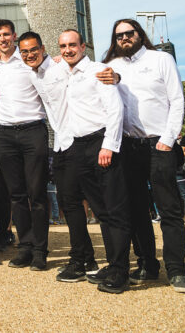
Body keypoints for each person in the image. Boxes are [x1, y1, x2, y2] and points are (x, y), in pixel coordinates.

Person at [102, 18, 185, 293]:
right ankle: (147, 264)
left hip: (159, 143)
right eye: (119, 36)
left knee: (169, 209)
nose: (124, 38)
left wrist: (168, 139)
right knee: (136, 210)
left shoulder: (161, 59)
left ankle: (177, 270)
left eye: (129, 33)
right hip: (128, 146)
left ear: (139, 34)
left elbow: (177, 100)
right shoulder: (112, 66)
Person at [54, 30, 131, 293]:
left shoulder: (99, 70)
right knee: (100, 210)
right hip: (78, 147)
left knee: (114, 209)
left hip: (101, 142)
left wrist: (109, 145)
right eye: (63, 46)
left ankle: (120, 271)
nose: (67, 50)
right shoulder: (64, 72)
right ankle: (112, 264)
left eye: (72, 45)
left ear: (83, 46)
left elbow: (115, 109)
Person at [17, 31, 98, 279]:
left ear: (43, 49)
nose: (30, 55)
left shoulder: (60, 67)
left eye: (34, 49)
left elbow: (88, 71)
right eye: (24, 51)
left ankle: (103, 262)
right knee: (68, 204)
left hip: (80, 141)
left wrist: (115, 76)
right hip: (61, 143)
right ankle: (86, 259)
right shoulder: (33, 75)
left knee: (93, 204)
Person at [0, 19, 50, 270]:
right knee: (16, 195)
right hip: (4, 134)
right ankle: (25, 248)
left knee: (37, 194)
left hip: (33, 129)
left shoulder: (29, 59)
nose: (2, 38)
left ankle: (40, 251)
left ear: (14, 36)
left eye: (6, 34)